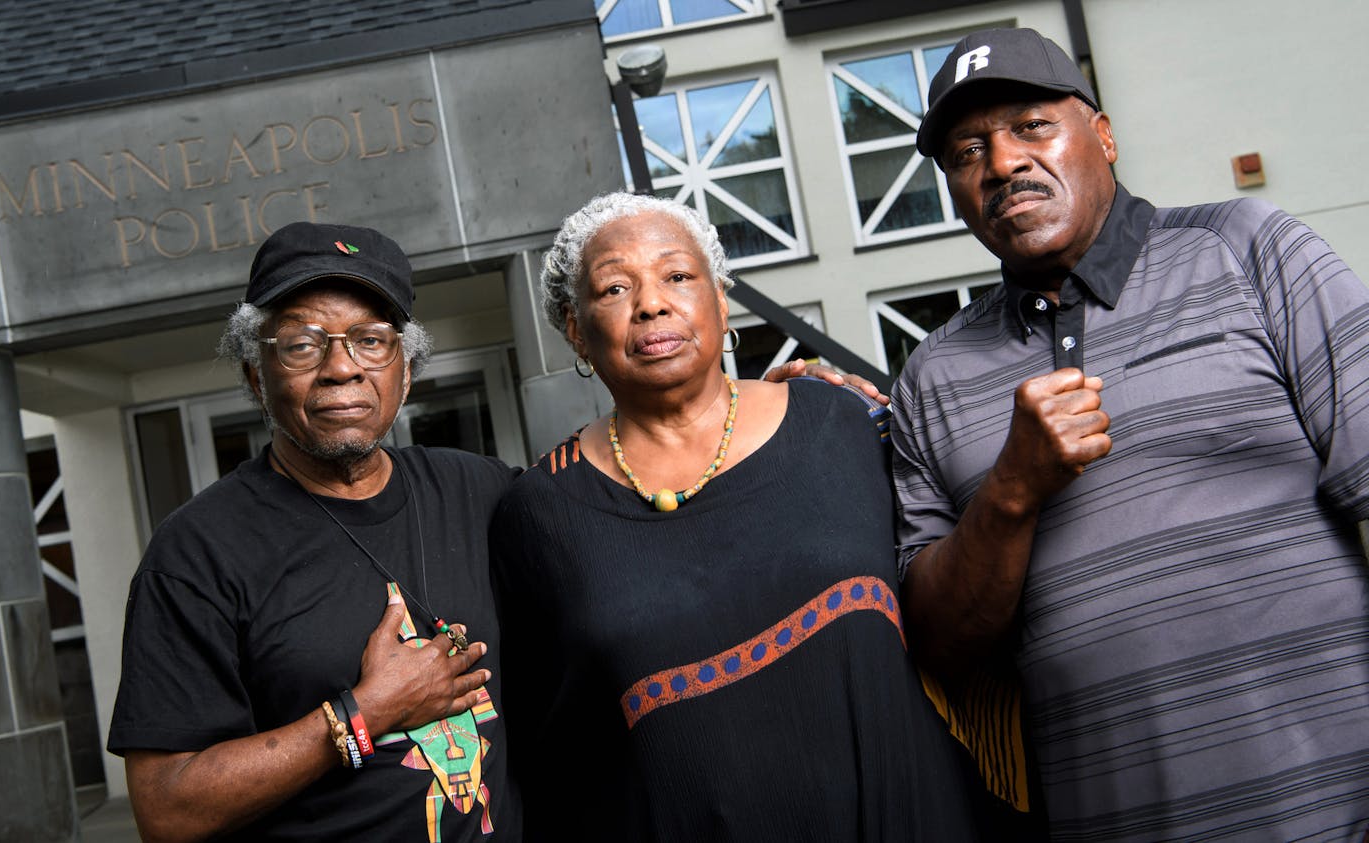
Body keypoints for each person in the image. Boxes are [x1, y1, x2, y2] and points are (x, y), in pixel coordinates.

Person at [894, 26, 1369, 841]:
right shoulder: (931, 377)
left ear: (1103, 135)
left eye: (1031, 126)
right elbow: (942, 646)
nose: (1002, 163)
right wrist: (1011, 490)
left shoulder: (1249, 250)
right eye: (968, 150)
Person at [489, 192, 985, 842]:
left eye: (677, 275)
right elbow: (554, 760)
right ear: (575, 328)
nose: (651, 303)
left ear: (721, 300)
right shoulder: (540, 514)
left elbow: (953, 610)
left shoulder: (842, 422)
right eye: (614, 287)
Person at [107, 222, 521, 842]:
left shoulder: (481, 491)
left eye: (370, 341)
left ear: (405, 371)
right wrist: (368, 712)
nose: (340, 368)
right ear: (255, 375)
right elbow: (167, 811)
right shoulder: (196, 553)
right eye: (302, 344)